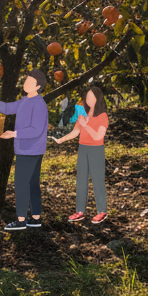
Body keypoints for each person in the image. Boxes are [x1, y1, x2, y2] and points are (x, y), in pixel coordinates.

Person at [0, 69, 50, 231]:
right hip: (26, 149)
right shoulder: (25, 100)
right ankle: (35, 218)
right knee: (32, 183)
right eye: (26, 80)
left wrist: (14, 133)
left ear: (38, 86)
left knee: (21, 184)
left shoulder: (39, 104)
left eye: (29, 81)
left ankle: (20, 220)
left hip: (31, 150)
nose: (25, 83)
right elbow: (7, 108)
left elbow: (36, 130)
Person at [53, 87, 109, 224]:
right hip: (83, 149)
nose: (88, 100)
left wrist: (86, 125)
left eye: (92, 97)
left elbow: (98, 136)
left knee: (97, 180)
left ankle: (102, 211)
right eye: (87, 97)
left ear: (98, 98)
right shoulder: (83, 115)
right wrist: (61, 140)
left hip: (96, 149)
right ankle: (80, 211)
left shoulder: (103, 116)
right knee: (81, 180)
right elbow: (75, 132)